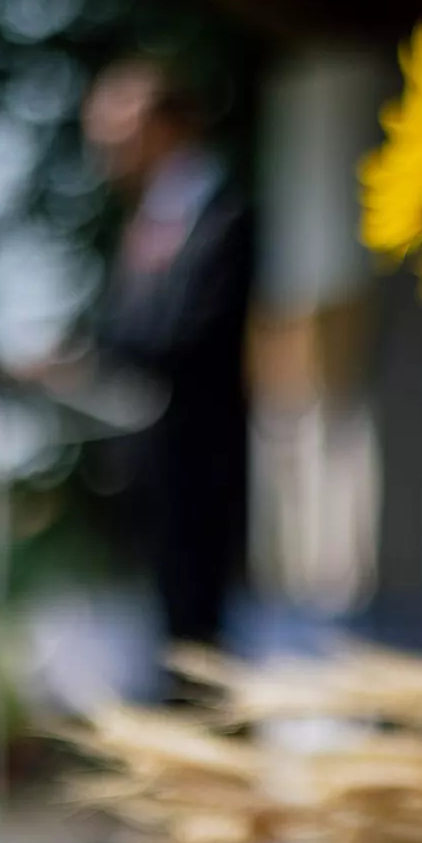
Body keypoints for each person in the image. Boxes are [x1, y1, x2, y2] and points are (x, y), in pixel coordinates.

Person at [78, 57, 253, 655]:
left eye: (115, 133)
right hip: (144, 469)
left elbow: (194, 332)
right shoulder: (149, 219)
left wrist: (88, 354)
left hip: (199, 469)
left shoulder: (223, 212)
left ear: (160, 125)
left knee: (198, 647)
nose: (105, 152)